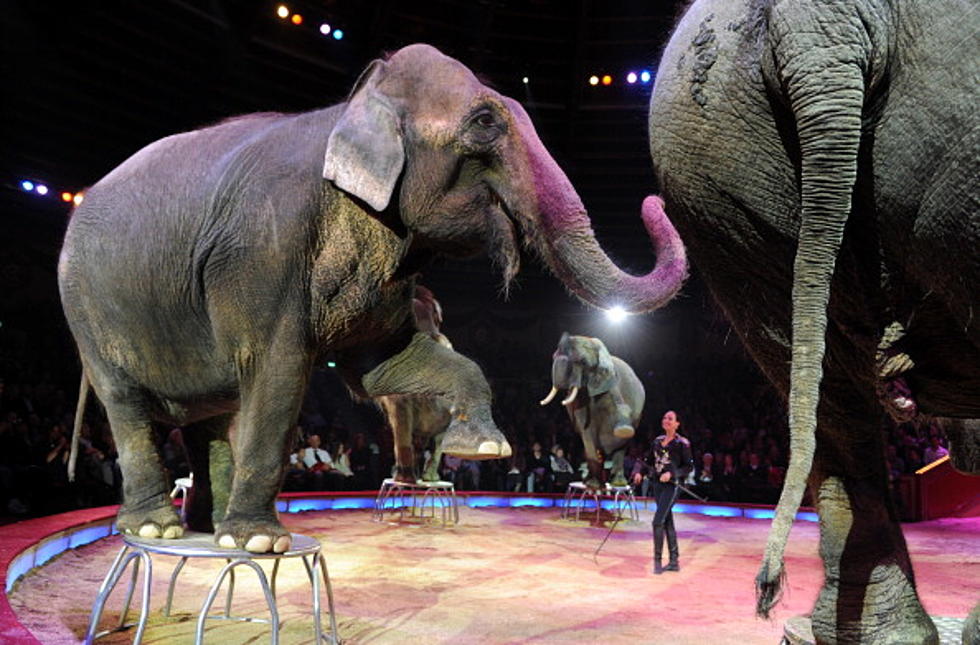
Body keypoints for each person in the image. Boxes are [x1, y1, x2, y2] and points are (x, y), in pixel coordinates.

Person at [634, 410, 693, 574]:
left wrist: (672, 474)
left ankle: (657, 561)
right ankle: (674, 561)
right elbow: (647, 461)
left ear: (677, 424)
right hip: (658, 486)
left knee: (657, 521)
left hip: (673, 486)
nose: (666, 420)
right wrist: (639, 472)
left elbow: (689, 467)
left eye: (670, 418)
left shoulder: (682, 443)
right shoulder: (657, 441)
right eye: (665, 417)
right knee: (667, 521)